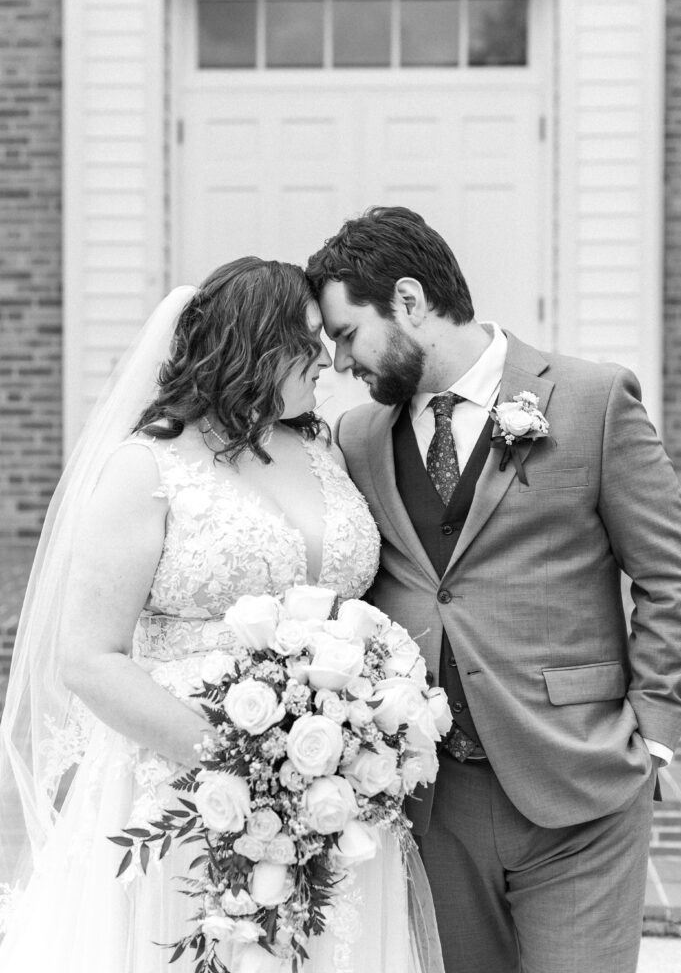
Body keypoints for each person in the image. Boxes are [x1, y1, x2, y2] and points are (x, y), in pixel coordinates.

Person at [0, 257, 443, 973]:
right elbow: (87, 656)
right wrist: (241, 765)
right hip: (185, 790)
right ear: (255, 345)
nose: (328, 362)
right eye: (307, 340)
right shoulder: (147, 467)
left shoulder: (324, 449)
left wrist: (352, 736)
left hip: (333, 789)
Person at [306, 206, 681, 973]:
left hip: (577, 784)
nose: (340, 364)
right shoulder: (357, 439)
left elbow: (667, 571)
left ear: (407, 302)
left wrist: (655, 735)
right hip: (427, 801)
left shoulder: (591, 400)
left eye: (346, 335)